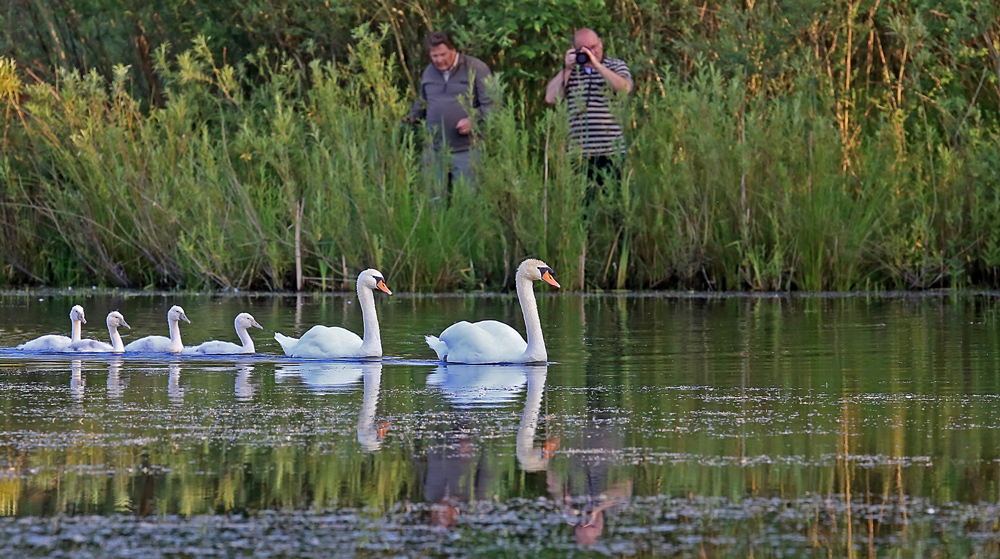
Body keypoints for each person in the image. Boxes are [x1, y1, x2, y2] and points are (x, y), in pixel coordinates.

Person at [406, 31, 497, 198]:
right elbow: (423, 101)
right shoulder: (429, 72)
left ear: (453, 50)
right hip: (434, 149)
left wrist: (474, 120)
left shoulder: (475, 68)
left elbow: (494, 105)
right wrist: (411, 117)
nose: (439, 60)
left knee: (467, 201)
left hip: (466, 149)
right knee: (433, 200)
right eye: (434, 56)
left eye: (443, 54)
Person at [544, 28, 633, 200]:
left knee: (616, 204)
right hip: (579, 154)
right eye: (585, 49)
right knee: (582, 209)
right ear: (575, 49)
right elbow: (550, 98)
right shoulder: (571, 71)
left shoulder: (616, 66)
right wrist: (567, 69)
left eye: (594, 47)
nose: (592, 52)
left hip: (611, 150)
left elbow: (624, 89)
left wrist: (597, 66)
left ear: (601, 42)